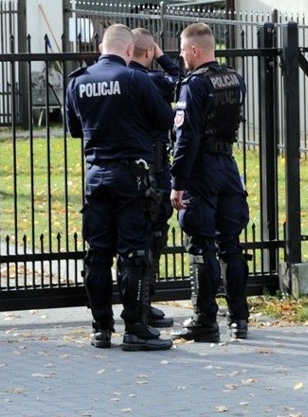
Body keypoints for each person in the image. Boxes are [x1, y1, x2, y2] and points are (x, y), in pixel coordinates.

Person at [65, 23, 175, 351]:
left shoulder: (78, 81)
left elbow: (74, 129)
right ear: (129, 50)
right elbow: (165, 121)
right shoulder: (135, 79)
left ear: (102, 47)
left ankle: (101, 329)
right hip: (132, 176)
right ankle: (135, 329)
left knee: (97, 254)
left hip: (96, 175)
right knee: (134, 254)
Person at [169, 22, 251, 342]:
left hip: (201, 169)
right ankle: (239, 318)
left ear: (194, 50)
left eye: (182, 50)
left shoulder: (194, 86)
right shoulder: (234, 78)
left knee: (201, 244)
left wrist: (177, 181)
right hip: (227, 166)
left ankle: (205, 319)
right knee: (231, 244)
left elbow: (186, 137)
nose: (180, 56)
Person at [128, 27, 181, 329]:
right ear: (149, 52)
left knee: (134, 240)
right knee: (154, 236)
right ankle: (144, 303)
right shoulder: (156, 81)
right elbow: (183, 83)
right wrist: (163, 57)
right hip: (155, 168)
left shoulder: (121, 79)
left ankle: (141, 305)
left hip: (127, 169)